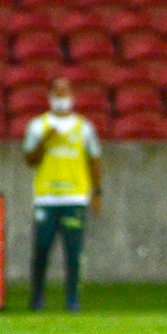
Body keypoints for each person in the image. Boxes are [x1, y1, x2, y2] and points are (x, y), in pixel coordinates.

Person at [22, 78, 102, 312]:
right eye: (57, 92)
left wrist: (97, 192)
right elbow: (29, 159)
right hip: (46, 198)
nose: (61, 97)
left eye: (65, 92)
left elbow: (94, 159)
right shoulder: (38, 126)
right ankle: (37, 297)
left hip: (74, 197)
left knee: (73, 252)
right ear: (49, 96)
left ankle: (72, 300)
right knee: (41, 249)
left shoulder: (84, 127)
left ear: (72, 95)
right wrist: (45, 141)